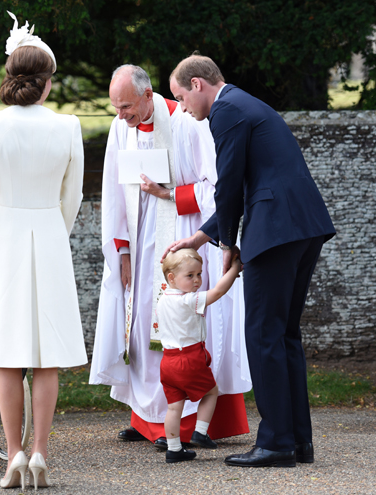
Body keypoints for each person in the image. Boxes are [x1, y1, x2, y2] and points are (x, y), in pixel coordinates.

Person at [166, 55, 336, 467]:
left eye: (181, 97)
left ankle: (276, 442)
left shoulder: (225, 111)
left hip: (275, 229)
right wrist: (203, 234)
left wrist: (225, 245)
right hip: (303, 224)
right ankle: (297, 440)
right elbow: (243, 184)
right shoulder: (245, 104)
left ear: (197, 84)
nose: (183, 108)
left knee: (262, 334)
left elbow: (229, 182)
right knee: (283, 335)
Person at [89, 65, 251, 451]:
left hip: (183, 233)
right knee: (143, 322)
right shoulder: (119, 129)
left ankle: (192, 424)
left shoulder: (187, 122)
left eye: (126, 106)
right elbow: (114, 188)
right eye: (116, 107)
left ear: (148, 96)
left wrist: (170, 196)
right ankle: (147, 420)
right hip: (140, 239)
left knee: (181, 325)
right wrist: (122, 249)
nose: (121, 115)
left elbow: (219, 187)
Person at [0, 12, 87, 490]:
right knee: (45, 356)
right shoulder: (68, 126)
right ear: (47, 82)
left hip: (5, 236)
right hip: (48, 235)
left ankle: (13, 454)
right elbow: (72, 198)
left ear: (10, 78)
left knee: (7, 355)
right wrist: (57, 230)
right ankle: (40, 453)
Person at [157, 248, 242, 463]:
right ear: (171, 278)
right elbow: (218, 292)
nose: (197, 280)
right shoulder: (187, 301)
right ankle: (201, 432)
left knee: (174, 407)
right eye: (190, 275)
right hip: (189, 358)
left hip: (168, 361)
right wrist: (234, 269)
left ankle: (174, 449)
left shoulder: (163, 299)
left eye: (199, 274)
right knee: (211, 392)